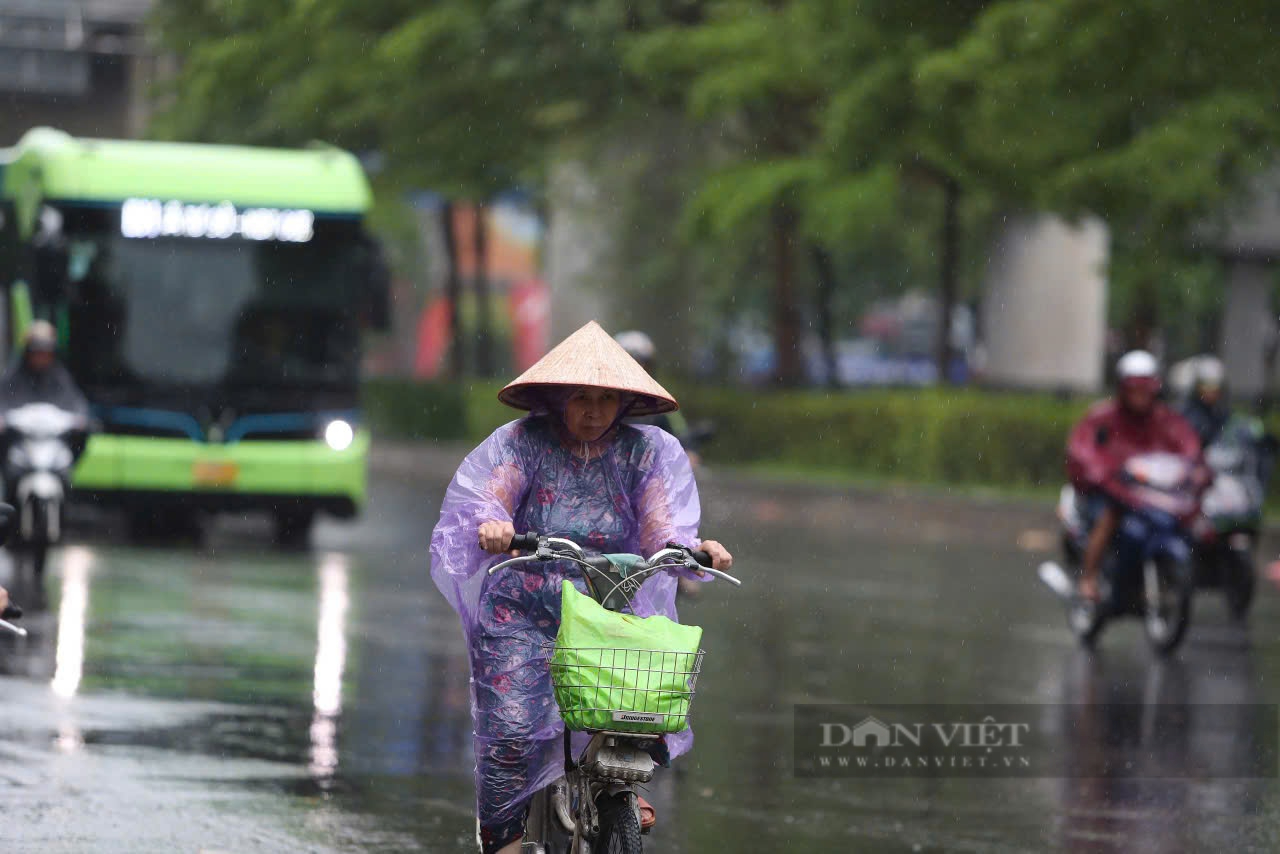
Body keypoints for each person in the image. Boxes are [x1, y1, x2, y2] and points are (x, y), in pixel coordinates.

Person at [430, 321, 733, 854]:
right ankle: (503, 840)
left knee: (638, 709)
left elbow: (662, 525)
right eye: (582, 398)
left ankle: (621, 786)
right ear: (558, 398)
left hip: (606, 606)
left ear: (623, 401)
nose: (594, 411)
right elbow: (491, 497)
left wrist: (690, 550)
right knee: (510, 736)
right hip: (522, 611)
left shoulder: (645, 453)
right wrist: (494, 523)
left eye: (607, 398)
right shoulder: (523, 444)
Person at [1066, 350, 1201, 601]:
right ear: (1122, 389)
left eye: (1145, 389)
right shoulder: (1102, 417)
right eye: (1134, 389)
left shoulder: (1167, 420)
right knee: (1110, 517)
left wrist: (1196, 470)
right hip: (1112, 491)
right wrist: (1100, 471)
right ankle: (1089, 577)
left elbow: (1188, 447)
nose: (1140, 396)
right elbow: (1082, 449)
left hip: (1152, 493)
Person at [0, 320, 90, 418]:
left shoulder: (60, 377)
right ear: (28, 353)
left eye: (46, 352)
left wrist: (80, 419)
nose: (41, 357)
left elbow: (77, 405)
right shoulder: (12, 377)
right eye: (37, 352)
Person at [1178, 355, 1230, 447]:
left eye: (1215, 387)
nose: (1211, 392)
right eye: (1206, 386)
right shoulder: (1189, 414)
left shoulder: (1221, 413)